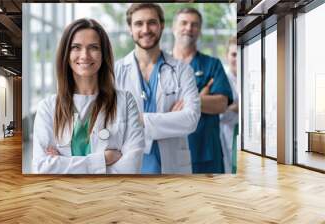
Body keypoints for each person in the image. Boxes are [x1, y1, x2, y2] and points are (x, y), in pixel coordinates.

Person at [32, 18, 145, 174]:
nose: (85, 55)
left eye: (93, 47)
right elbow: (42, 168)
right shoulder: (48, 107)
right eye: (76, 47)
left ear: (103, 54)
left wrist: (62, 164)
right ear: (66, 53)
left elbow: (130, 168)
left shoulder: (125, 102)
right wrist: (102, 160)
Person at [115, 3, 201, 174]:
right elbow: (112, 123)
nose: (146, 29)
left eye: (152, 22)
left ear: (162, 25)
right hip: (128, 163)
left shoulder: (182, 70)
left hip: (172, 164)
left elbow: (191, 119)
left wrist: (139, 119)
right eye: (139, 23)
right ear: (130, 29)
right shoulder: (115, 72)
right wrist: (170, 119)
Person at [172, 8, 233, 173]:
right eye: (184, 23)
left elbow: (221, 104)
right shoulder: (160, 65)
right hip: (169, 151)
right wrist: (201, 98)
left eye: (194, 25)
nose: (189, 28)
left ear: (199, 31)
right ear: (173, 28)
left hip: (205, 152)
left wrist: (184, 101)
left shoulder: (212, 65)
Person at [220, 37, 238, 173]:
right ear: (227, 56)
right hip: (227, 137)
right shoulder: (222, 81)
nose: (237, 58)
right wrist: (235, 108)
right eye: (233, 54)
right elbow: (218, 114)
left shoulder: (254, 79)